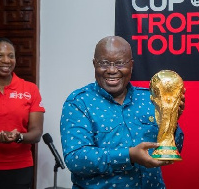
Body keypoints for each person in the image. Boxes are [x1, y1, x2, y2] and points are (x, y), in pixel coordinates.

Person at [60, 36, 185, 189]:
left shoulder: (150, 99)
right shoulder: (79, 102)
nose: (112, 70)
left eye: (119, 63)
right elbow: (76, 159)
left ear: (131, 65)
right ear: (94, 64)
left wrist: (170, 122)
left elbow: (174, 149)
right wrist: (129, 156)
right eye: (104, 63)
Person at [0, 37, 45, 189]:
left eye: (11, 56)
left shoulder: (30, 89)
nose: (6, 60)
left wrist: (19, 137)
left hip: (20, 167)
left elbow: (37, 133)